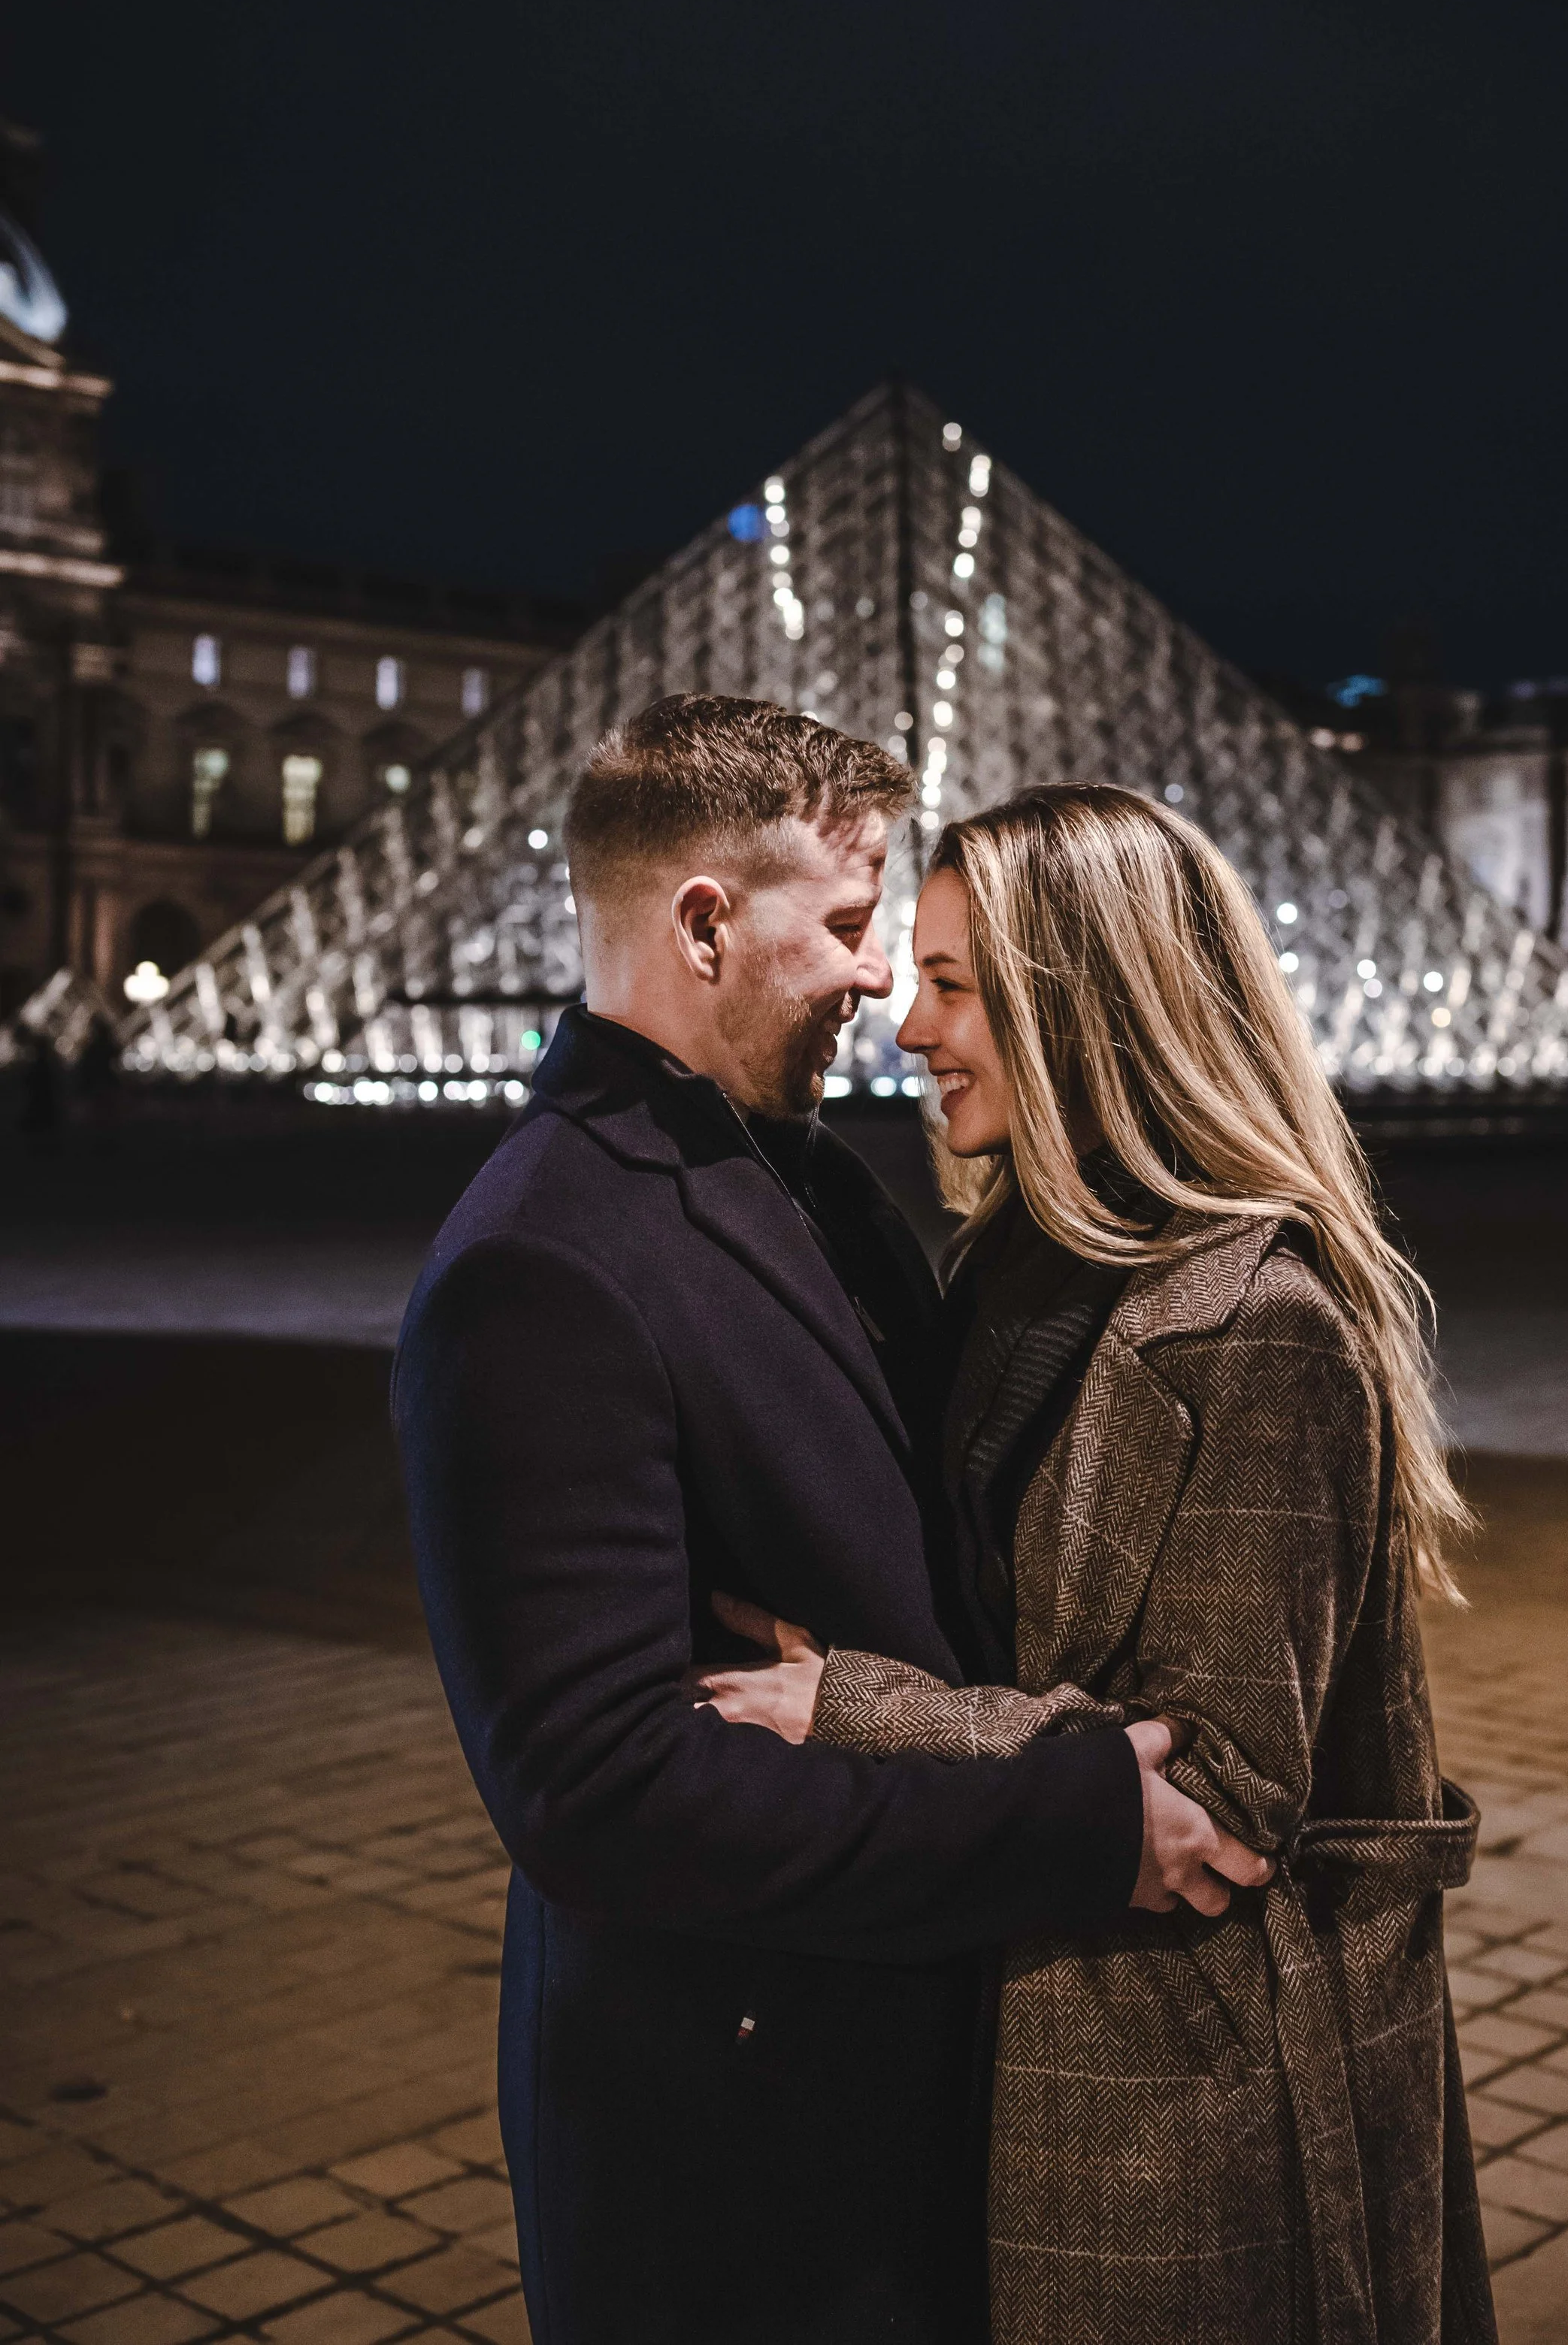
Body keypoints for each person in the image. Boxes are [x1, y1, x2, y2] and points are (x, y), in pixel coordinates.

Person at [392, 702, 1262, 2345]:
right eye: (855, 927)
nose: (880, 983)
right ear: (707, 923)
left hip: (880, 2071)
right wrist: (1067, 1827)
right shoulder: (539, 1265)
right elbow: (602, 1792)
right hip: (740, 2151)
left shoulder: (816, 1182)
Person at [701, 783, 1499, 2345]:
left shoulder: (1255, 1330)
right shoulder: (1012, 1269)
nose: (905, 1028)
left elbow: (1218, 1797)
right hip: (1042, 2000)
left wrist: (845, 1705)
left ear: (1086, 1005)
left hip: (1179, 2077)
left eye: (949, 986)